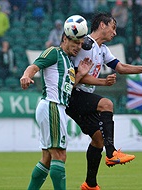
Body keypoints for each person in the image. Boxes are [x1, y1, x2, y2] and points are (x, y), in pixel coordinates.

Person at [65, 13, 142, 189]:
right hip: (74, 94)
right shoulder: (84, 45)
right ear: (102, 25)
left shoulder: (102, 49)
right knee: (106, 104)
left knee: (98, 139)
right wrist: (102, 82)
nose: (114, 32)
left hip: (82, 97)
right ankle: (112, 152)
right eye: (113, 27)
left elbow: (120, 67)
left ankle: (90, 184)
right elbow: (76, 77)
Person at [20, 16, 92, 190]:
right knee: (60, 155)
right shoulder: (54, 52)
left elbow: (67, 87)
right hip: (52, 105)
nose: (78, 47)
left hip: (56, 107)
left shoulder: (68, 61)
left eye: (80, 44)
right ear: (65, 38)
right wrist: (26, 76)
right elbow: (35, 66)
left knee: (47, 158)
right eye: (75, 42)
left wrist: (81, 73)